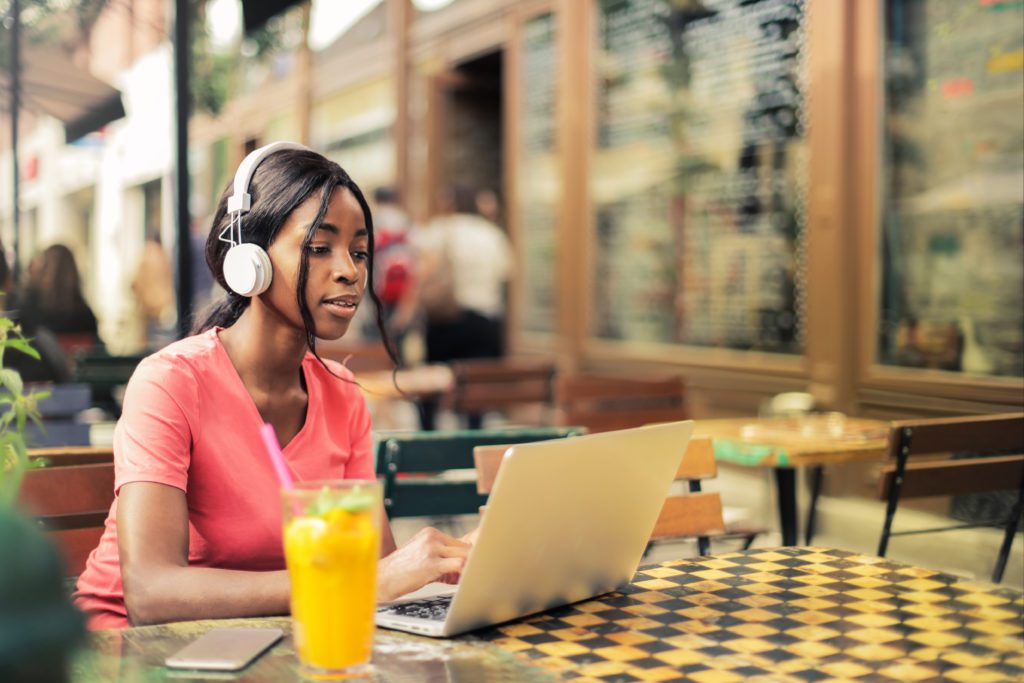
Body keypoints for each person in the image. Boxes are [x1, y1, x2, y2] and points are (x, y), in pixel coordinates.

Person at [72, 145, 473, 629]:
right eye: (319, 248)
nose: (350, 269)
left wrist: (455, 562)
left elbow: (377, 577)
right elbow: (152, 592)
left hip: (263, 641)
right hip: (133, 648)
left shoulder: (341, 393)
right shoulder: (172, 382)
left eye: (360, 251)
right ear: (250, 259)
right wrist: (363, 580)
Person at [414, 186, 512, 428]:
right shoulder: (492, 234)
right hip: (485, 320)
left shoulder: (437, 230)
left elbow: (420, 273)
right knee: (474, 387)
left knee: (433, 381)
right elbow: (507, 272)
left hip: (446, 317)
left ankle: (429, 436)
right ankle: (473, 435)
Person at [19, 244, 102, 356]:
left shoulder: (30, 311)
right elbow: (95, 351)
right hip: (80, 372)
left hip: (42, 372)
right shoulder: (86, 315)